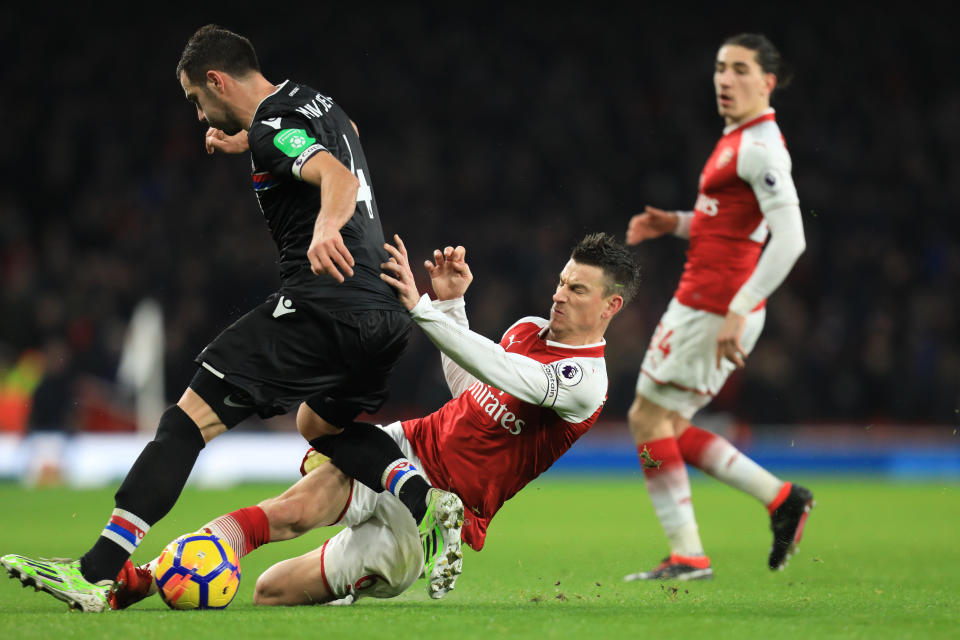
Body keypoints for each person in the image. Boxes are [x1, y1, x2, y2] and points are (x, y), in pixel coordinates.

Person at [1, 25, 462, 611]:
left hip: (324, 306)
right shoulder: (312, 104)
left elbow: (338, 178)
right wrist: (248, 145)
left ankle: (94, 574)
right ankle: (427, 500)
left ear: (217, 79)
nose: (198, 115)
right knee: (321, 427)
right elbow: (340, 143)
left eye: (196, 98)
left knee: (185, 423)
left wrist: (325, 224)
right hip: (389, 313)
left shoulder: (272, 127)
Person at [107, 232, 641, 607]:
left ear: (610, 306)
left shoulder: (586, 381)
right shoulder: (528, 329)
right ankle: (149, 576)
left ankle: (384, 560)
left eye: (577, 290)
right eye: (562, 281)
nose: (559, 295)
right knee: (295, 508)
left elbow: (509, 375)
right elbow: (475, 388)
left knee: (271, 590)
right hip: (405, 449)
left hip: (434, 519)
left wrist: (426, 309)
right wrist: (452, 306)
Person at [622, 33, 813, 582]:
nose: (725, 79)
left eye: (740, 70)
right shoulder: (738, 138)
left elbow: (791, 237)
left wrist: (741, 305)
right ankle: (781, 499)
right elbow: (731, 225)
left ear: (767, 82)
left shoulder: (760, 147)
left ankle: (688, 554)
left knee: (646, 419)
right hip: (706, 302)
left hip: (712, 307)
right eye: (720, 68)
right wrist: (675, 223)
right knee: (667, 425)